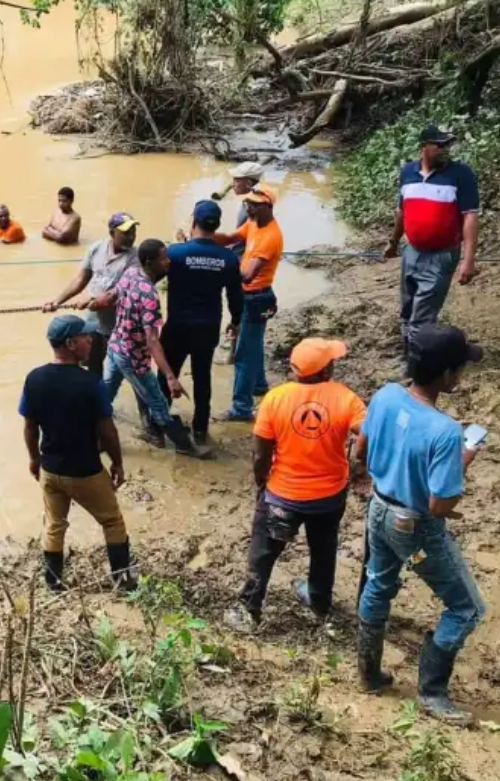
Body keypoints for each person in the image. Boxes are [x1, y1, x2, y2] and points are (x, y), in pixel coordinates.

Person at [355, 324, 485, 724]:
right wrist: (465, 457)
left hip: (379, 506)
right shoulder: (446, 432)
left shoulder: (386, 394)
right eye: (461, 368)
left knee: (378, 582)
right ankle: (432, 691)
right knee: (466, 608)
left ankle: (369, 673)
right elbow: (440, 504)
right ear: (447, 375)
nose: (463, 374)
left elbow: (359, 449)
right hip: (416, 524)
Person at [224, 338, 366, 631]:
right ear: (326, 370)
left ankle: (249, 610)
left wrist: (261, 484)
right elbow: (370, 432)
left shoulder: (275, 399)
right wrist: (358, 465)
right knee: (324, 549)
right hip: (329, 497)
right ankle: (318, 599)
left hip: (282, 495)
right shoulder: (345, 398)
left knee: (264, 551)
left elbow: (261, 453)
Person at [20, 315, 135, 592]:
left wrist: (35, 460)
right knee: (111, 520)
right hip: (85, 471)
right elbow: (107, 432)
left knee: (55, 524)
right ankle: (122, 582)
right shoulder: (91, 383)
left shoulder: (34, 378)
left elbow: (30, 426)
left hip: (50, 469)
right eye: (86, 337)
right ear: (71, 343)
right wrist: (117, 463)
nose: (91, 341)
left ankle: (54, 584)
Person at [104, 239, 210, 458]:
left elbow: (113, 295)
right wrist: (171, 377)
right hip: (134, 357)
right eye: (163, 258)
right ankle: (184, 445)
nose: (168, 262)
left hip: (116, 346)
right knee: (158, 403)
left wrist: (94, 300)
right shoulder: (150, 297)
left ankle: (90, 434)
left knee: (105, 394)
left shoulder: (130, 273)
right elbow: (152, 340)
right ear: (150, 262)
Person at [384, 125, 479, 349]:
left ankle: (418, 366)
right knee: (407, 307)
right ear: (423, 147)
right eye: (440, 145)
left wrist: (468, 261)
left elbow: (470, 218)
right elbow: (402, 212)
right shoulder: (408, 172)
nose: (445, 149)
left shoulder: (461, 174)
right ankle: (409, 348)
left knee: (423, 315)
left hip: (441, 255)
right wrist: (393, 243)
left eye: (447, 145)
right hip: (412, 250)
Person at [160, 200, 243, 444]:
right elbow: (235, 298)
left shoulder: (174, 253)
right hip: (207, 328)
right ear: (217, 226)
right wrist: (235, 321)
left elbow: (149, 278)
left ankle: (159, 423)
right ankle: (200, 429)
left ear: (193, 222)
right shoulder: (228, 258)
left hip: (177, 326)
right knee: (202, 377)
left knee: (167, 374)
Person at [214, 184, 284, 420]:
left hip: (256, 298)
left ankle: (241, 408)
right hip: (251, 296)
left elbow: (247, 275)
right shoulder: (253, 223)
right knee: (253, 344)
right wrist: (204, 237)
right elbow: (231, 237)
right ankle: (259, 385)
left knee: (244, 354)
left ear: (267, 206)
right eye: (248, 203)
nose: (249, 207)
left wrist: (220, 265)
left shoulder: (270, 236)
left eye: (253, 204)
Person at [42, 213, 140, 375]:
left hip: (122, 326)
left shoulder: (135, 258)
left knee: (130, 370)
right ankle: (96, 396)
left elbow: (115, 294)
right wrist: (57, 301)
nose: (131, 237)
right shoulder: (96, 249)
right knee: (93, 365)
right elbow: (81, 279)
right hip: (95, 323)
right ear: (111, 233)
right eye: (125, 233)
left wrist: (92, 300)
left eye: (133, 232)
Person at [228, 162, 264, 254]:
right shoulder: (257, 198)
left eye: (236, 180)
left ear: (248, 183)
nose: (232, 184)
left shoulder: (252, 206)